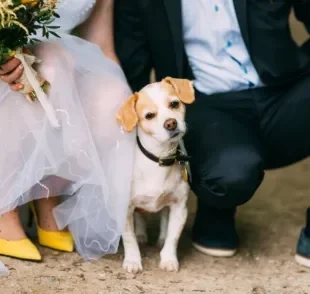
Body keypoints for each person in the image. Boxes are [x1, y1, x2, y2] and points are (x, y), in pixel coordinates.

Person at [114, 0, 310, 266]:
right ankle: (216, 208)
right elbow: (131, 68)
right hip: (209, 106)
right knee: (230, 172)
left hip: (285, 92)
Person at [0, 0, 134, 273]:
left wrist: (128, 99)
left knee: (113, 98)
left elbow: (102, 46)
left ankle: (48, 192)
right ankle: (4, 207)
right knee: (51, 62)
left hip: (62, 64)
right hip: (9, 72)